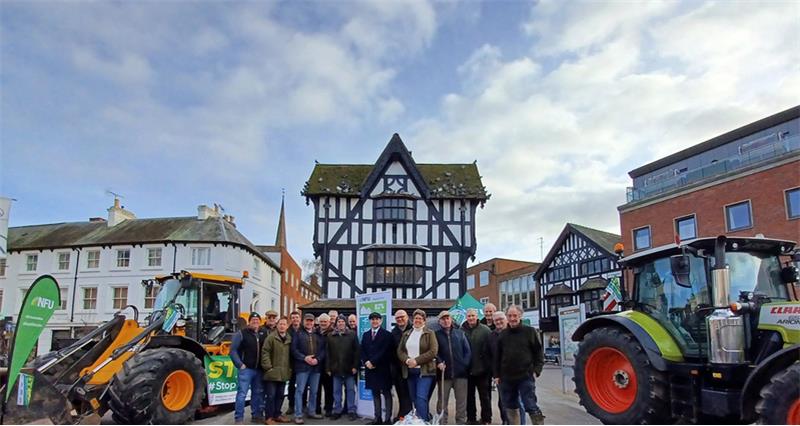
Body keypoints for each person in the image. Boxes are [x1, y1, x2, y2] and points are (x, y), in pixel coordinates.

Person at [494, 305, 544, 425]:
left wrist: (537, 370)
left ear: (520, 316)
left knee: (530, 404)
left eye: (515, 315)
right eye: (509, 316)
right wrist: (496, 375)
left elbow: (538, 352)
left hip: (525, 376)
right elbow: (497, 357)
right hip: (507, 378)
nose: (512, 318)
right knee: (510, 405)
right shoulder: (503, 335)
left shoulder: (530, 331)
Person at [397, 309, 438, 422]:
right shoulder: (406, 334)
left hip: (424, 372)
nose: (417, 320)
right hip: (410, 372)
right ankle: (421, 420)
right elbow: (400, 351)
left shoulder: (430, 333)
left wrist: (417, 361)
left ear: (424, 321)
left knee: (421, 398)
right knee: (414, 399)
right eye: (416, 318)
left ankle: (423, 421)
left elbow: (433, 351)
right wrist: (407, 360)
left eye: (420, 318)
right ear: (412, 320)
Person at [434, 311, 471, 425]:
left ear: (451, 320)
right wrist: (439, 362)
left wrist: (464, 365)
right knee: (442, 402)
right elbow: (434, 352)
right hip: (444, 374)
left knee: (461, 403)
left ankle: (460, 423)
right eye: (443, 319)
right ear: (440, 321)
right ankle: (442, 422)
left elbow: (467, 351)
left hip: (461, 374)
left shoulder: (460, 334)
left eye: (447, 318)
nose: (446, 321)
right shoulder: (436, 334)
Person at [291, 313, 327, 424]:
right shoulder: (298, 334)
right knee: (300, 391)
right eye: (307, 320)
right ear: (303, 321)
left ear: (313, 322)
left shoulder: (318, 334)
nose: (309, 322)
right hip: (302, 367)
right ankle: (298, 415)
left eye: (311, 321)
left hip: (316, 367)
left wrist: (318, 359)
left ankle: (311, 411)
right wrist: (304, 358)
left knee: (314, 391)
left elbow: (323, 350)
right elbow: (294, 350)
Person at [230, 312, 265, 424]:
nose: (255, 322)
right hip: (246, 370)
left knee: (257, 393)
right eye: (253, 320)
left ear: (260, 322)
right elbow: (233, 350)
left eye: (257, 320)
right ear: (249, 322)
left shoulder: (262, 333)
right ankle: (239, 418)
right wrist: (240, 364)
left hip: (258, 370)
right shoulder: (241, 334)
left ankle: (256, 415)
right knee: (242, 394)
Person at [489, 312, 523, 425]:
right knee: (504, 401)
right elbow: (492, 357)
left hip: (518, 374)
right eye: (496, 320)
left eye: (500, 319)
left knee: (518, 402)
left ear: (506, 319)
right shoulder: (492, 336)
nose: (498, 322)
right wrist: (495, 375)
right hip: (501, 376)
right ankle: (506, 421)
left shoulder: (516, 332)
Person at [361, 312, 393, 425]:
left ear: (381, 321)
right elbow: (363, 350)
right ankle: (377, 418)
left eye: (377, 319)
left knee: (386, 393)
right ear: (370, 321)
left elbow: (385, 351)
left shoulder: (387, 335)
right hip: (370, 369)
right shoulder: (365, 335)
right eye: (372, 319)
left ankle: (388, 419)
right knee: (375, 394)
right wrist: (366, 362)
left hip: (383, 369)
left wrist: (373, 361)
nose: (374, 321)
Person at [326, 315, 360, 421]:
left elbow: (357, 351)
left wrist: (355, 366)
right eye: (339, 321)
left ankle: (351, 410)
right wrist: (327, 368)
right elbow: (327, 353)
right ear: (336, 323)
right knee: (336, 391)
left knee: (350, 390)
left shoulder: (352, 334)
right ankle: (337, 411)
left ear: (345, 323)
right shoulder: (330, 336)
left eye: (342, 321)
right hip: (335, 368)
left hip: (349, 368)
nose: (340, 323)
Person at [463, 308, 493, 425]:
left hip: (483, 370)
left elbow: (491, 349)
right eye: (469, 316)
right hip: (467, 370)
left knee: (485, 397)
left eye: (473, 316)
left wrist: (489, 367)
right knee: (469, 397)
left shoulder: (485, 330)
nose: (471, 318)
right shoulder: (461, 330)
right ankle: (471, 419)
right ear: (466, 317)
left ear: (477, 317)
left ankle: (486, 419)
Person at [261, 317, 293, 425]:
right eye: (280, 324)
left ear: (287, 326)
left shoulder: (289, 338)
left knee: (280, 395)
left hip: (283, 372)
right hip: (272, 373)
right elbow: (265, 352)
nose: (282, 326)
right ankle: (269, 417)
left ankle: (277, 414)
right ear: (277, 325)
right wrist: (268, 367)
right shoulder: (271, 338)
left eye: (284, 324)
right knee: (270, 396)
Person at [390, 309, 412, 421]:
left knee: (413, 394)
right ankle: (402, 415)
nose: (400, 319)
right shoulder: (393, 333)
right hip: (398, 369)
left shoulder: (414, 329)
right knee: (401, 393)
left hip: (413, 368)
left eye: (402, 317)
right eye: (397, 318)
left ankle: (411, 416)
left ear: (407, 317)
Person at [315, 313, 334, 417]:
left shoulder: (332, 333)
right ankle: (317, 408)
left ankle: (328, 408)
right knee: (316, 389)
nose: (323, 323)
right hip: (317, 365)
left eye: (325, 321)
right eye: (321, 321)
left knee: (329, 389)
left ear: (329, 322)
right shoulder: (315, 332)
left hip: (328, 365)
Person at [286, 311, 302, 416]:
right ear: (291, 319)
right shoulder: (288, 332)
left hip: (302, 363)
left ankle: (302, 405)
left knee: (302, 386)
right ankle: (291, 405)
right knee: (291, 386)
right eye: (293, 318)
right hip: (291, 363)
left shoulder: (303, 330)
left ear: (300, 318)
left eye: (297, 317)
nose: (295, 319)